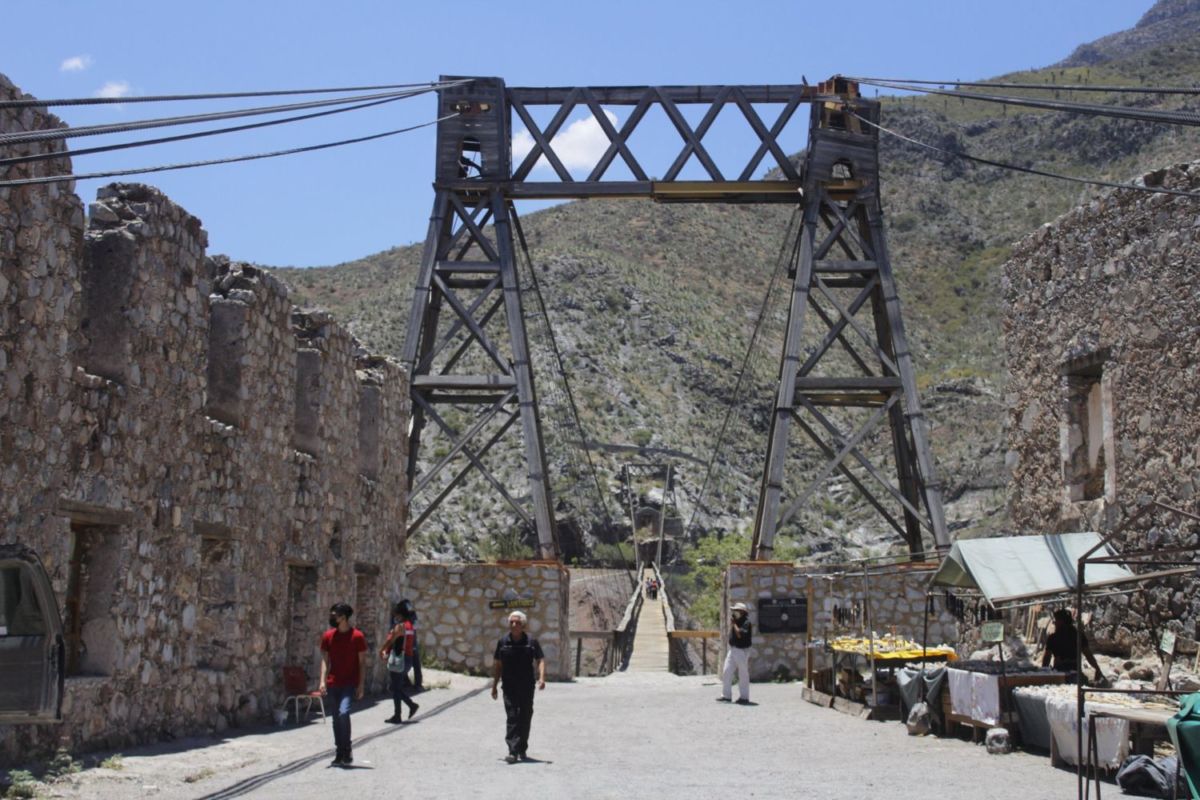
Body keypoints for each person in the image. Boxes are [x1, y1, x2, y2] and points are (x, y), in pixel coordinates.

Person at [490, 610, 546, 763]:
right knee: (512, 716)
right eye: (511, 622)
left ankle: (522, 748)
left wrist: (542, 678)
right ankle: (512, 751)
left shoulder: (531, 642)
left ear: (523, 625)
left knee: (525, 716)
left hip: (526, 686)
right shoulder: (503, 642)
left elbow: (540, 660)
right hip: (509, 686)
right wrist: (494, 686)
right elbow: (498, 665)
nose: (514, 625)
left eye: (517, 622)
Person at [320, 602, 368, 766]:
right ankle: (339, 751)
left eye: (335, 615)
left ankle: (347, 749)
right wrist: (322, 681)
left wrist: (361, 685)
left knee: (343, 713)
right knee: (335, 718)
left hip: (349, 683)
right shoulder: (328, 636)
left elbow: (362, 663)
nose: (332, 618)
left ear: (344, 617)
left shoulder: (357, 637)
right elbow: (325, 661)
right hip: (333, 683)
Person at [1041, 609, 1107, 685]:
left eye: (1056, 621)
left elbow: (1046, 658)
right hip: (1075, 675)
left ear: (1061, 621)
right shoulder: (1079, 636)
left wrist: (1043, 673)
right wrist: (1097, 669)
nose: (1054, 623)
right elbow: (1088, 655)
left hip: (1060, 674)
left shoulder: (1053, 638)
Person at [379, 601, 419, 723]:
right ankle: (409, 706)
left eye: (396, 613)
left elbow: (391, 640)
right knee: (396, 687)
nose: (395, 615)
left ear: (400, 614)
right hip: (408, 659)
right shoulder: (410, 626)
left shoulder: (400, 626)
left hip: (399, 659)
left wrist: (382, 650)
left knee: (395, 687)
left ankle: (400, 714)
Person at [719, 601, 753, 705]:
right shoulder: (737, 622)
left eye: (736, 610)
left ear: (742, 612)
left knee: (743, 673)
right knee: (726, 671)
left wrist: (734, 624)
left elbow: (739, 635)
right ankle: (726, 696)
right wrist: (734, 624)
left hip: (742, 650)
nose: (734, 612)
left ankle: (744, 697)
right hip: (733, 649)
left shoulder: (746, 622)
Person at [398, 598, 424, 691]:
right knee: (404, 664)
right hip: (406, 643)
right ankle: (407, 682)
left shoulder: (412, 616)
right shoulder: (403, 617)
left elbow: (415, 626)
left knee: (416, 664)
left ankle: (418, 684)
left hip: (412, 643)